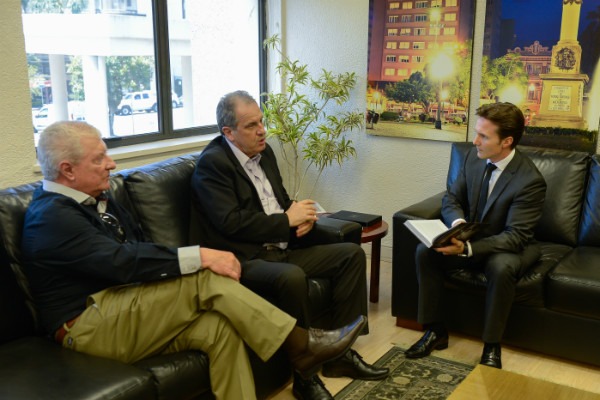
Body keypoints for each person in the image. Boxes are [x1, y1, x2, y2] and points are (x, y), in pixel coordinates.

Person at [21, 121, 367, 400]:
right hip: (87, 326)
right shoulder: (52, 217)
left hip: (126, 307)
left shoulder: (99, 198)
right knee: (204, 277)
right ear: (67, 170)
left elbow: (141, 247)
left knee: (219, 330)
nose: (111, 164)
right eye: (99, 159)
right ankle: (302, 345)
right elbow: (121, 260)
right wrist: (199, 255)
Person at [190, 91, 389, 399]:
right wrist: (286, 221)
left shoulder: (265, 153)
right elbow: (231, 223)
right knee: (291, 277)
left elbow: (280, 201)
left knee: (350, 254)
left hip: (281, 247)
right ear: (228, 132)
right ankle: (304, 378)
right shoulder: (213, 165)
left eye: (261, 121)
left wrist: (299, 218)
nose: (262, 130)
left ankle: (340, 356)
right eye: (251, 125)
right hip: (244, 257)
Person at [405, 102, 547, 369]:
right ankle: (435, 330)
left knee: (501, 267)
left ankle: (492, 344)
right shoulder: (473, 157)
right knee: (425, 251)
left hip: (507, 245)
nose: (475, 141)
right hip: (468, 238)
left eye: (483, 136)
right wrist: (458, 225)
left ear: (506, 141)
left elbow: (516, 236)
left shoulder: (529, 180)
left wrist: (466, 249)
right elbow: (452, 198)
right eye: (476, 133)